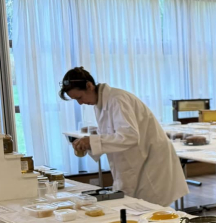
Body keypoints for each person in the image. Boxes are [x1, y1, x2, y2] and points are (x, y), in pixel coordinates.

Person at [60, 67, 188, 207]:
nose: (80, 103)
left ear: (89, 86)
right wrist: (92, 139)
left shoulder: (117, 99)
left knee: (150, 209)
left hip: (150, 160)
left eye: (79, 97)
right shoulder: (100, 103)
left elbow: (130, 136)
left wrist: (93, 141)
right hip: (136, 159)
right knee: (135, 207)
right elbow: (114, 133)